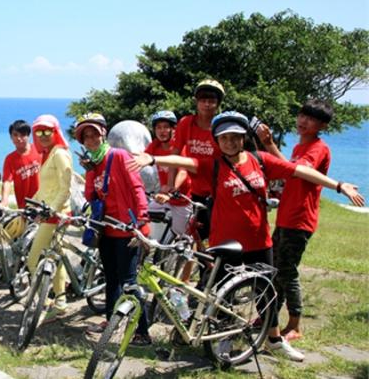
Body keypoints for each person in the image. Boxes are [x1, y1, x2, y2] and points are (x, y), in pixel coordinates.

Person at [129, 111, 364, 361]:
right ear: (217, 141)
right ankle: (223, 338)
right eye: (225, 138)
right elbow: (186, 161)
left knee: (267, 293)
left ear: (244, 138)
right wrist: (152, 159)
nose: (230, 142)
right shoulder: (215, 165)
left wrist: (338, 186)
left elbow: (299, 171)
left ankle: (273, 340)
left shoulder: (260, 160)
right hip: (225, 243)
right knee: (221, 294)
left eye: (236, 137)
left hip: (259, 240)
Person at [255, 99, 336, 342]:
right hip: (287, 216)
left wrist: (269, 145)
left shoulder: (317, 148)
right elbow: (289, 174)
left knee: (287, 271)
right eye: (302, 115)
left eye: (311, 119)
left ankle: (295, 324)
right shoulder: (300, 147)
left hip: (300, 220)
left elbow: (294, 170)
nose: (303, 121)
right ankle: (268, 317)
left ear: (321, 125)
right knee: (275, 269)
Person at [75, 113, 152, 345]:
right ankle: (111, 321)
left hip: (127, 230)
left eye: (94, 134)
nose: (90, 140)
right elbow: (90, 196)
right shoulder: (94, 163)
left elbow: (137, 187)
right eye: (85, 137)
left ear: (104, 133)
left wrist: (143, 222)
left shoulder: (118, 155)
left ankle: (143, 331)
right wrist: (89, 171)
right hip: (106, 230)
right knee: (111, 278)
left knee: (129, 281)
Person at [24, 114, 73, 324]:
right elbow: (46, 189)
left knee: (33, 259)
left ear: (56, 131)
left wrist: (52, 209)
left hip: (56, 216)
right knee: (58, 259)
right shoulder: (48, 154)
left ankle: (42, 300)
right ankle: (60, 302)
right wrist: (29, 205)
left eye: (47, 131)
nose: (43, 135)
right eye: (39, 132)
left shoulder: (59, 154)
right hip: (48, 213)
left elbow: (66, 187)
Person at [168, 79, 226, 241]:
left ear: (218, 104)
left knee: (216, 236)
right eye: (203, 100)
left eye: (212, 101)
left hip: (219, 191)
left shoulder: (221, 127)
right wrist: (170, 184)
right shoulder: (186, 123)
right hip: (196, 192)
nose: (207, 104)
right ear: (196, 102)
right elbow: (176, 154)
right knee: (196, 237)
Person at [145, 111, 192, 238]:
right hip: (164, 197)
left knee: (181, 236)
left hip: (182, 199)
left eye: (166, 127)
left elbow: (183, 171)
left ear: (174, 129)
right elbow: (141, 158)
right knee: (143, 215)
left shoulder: (180, 147)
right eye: (158, 127)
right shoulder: (155, 145)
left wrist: (171, 191)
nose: (162, 131)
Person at [1, 120, 41, 209]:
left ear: (29, 136)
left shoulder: (40, 150)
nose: (19, 138)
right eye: (15, 135)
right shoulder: (10, 159)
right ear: (11, 137)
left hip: (43, 203)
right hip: (24, 206)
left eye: (22, 135)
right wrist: (4, 201)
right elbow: (7, 182)